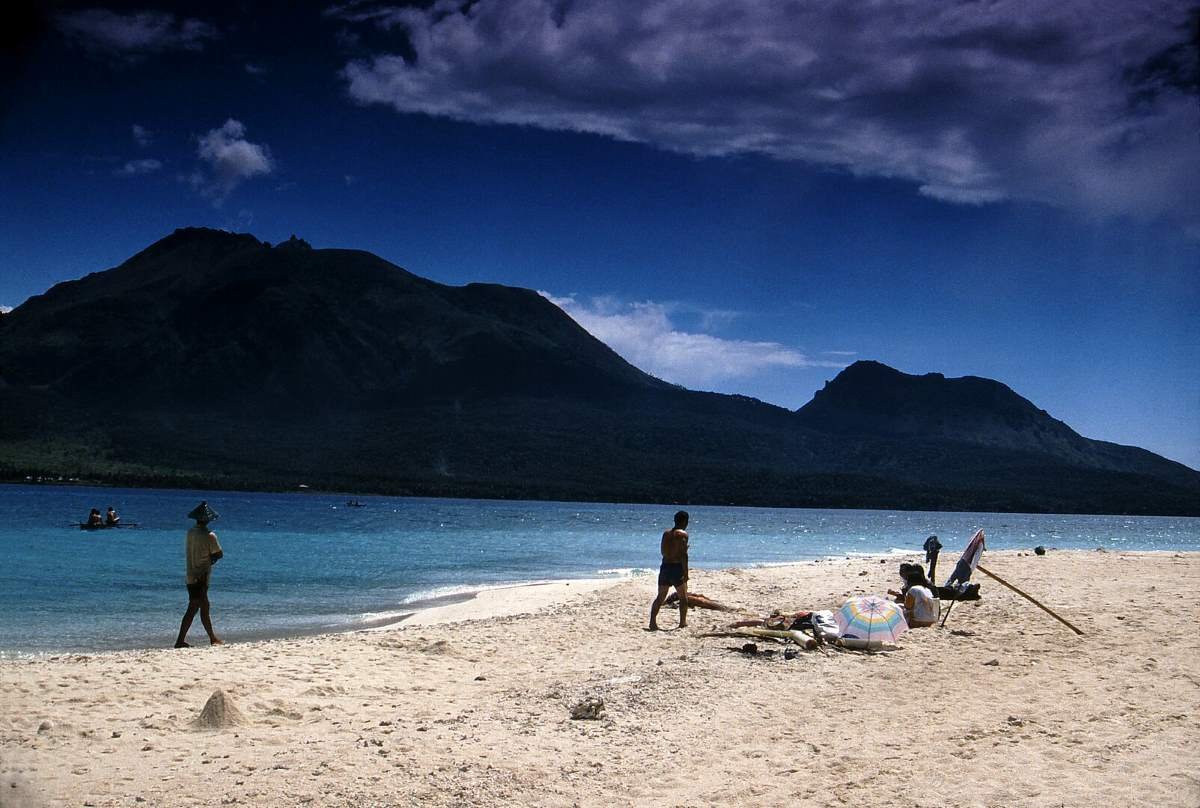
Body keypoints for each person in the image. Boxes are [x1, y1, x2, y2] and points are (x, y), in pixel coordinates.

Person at [175, 501, 224, 648]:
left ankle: (211, 638)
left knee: (201, 607)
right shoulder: (210, 536)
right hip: (201, 577)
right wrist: (211, 559)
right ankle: (184, 640)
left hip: (190, 576)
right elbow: (219, 554)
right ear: (208, 519)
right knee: (197, 608)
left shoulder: (190, 533)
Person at [648, 510, 689, 631]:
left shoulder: (666, 534)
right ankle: (682, 622)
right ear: (684, 521)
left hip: (665, 566)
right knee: (683, 597)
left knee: (660, 596)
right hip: (676, 568)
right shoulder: (683, 534)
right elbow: (683, 556)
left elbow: (663, 552)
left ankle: (652, 622)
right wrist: (686, 573)